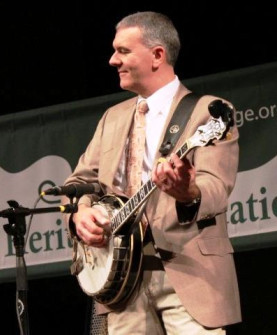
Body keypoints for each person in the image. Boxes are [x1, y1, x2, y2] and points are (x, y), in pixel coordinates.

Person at [62, 11, 241, 335]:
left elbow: (217, 188)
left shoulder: (209, 112)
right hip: (122, 283)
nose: (112, 60)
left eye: (123, 51)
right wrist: (81, 214)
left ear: (158, 54)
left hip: (192, 276)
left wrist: (187, 192)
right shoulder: (112, 118)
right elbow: (79, 182)